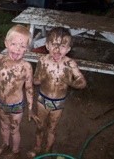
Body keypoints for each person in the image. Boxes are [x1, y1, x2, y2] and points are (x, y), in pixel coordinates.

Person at [27, 27, 87, 158]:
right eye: (54, 44)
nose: (58, 49)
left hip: (58, 103)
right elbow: (35, 81)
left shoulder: (70, 64)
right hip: (43, 99)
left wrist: (70, 81)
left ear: (68, 49)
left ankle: (48, 150)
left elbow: (82, 83)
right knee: (39, 125)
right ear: (47, 45)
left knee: (52, 128)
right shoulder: (42, 61)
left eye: (63, 46)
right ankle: (37, 147)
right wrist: (41, 76)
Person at [0, 24, 36, 159]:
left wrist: (30, 108)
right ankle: (5, 144)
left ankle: (15, 151)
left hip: (16, 106)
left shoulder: (26, 67)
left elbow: (29, 88)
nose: (17, 49)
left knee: (14, 130)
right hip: (1, 102)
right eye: (14, 44)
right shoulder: (0, 59)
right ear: (6, 43)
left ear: (27, 49)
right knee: (3, 127)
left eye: (22, 46)